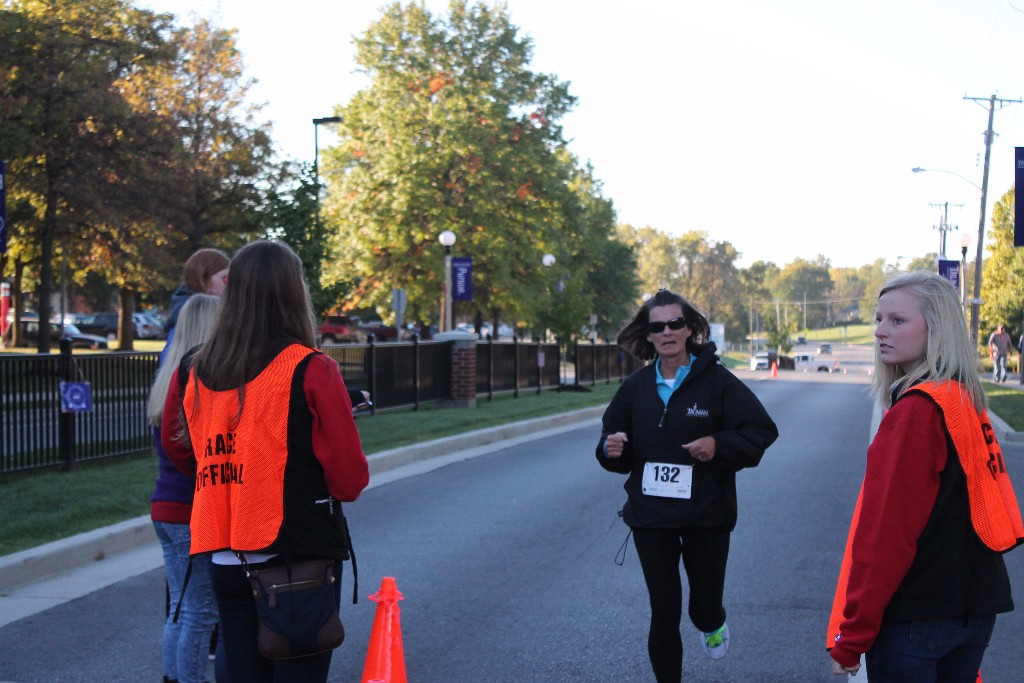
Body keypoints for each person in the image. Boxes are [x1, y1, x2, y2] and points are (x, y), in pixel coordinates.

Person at [162, 239, 369, 683]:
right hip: (296, 554)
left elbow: (178, 447)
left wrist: (231, 478)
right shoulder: (311, 368)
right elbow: (349, 479)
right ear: (294, 293)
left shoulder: (193, 368)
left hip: (225, 555)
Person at [828, 272, 1023, 681]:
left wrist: (853, 637)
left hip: (918, 617)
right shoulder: (961, 399)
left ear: (936, 328)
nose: (880, 331)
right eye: (879, 319)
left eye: (897, 321)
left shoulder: (915, 413)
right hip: (975, 609)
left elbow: (886, 536)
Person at [595, 289, 778, 682]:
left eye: (675, 323)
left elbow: (761, 431)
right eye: (657, 326)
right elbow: (614, 443)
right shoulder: (635, 388)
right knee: (664, 611)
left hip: (706, 514)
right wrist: (610, 449)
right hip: (651, 516)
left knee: (702, 607)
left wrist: (719, 445)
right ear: (648, 335)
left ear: (689, 327)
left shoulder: (718, 383)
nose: (667, 332)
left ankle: (712, 621)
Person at [146, 294, 222, 683]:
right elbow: (185, 450)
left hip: (165, 505)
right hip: (187, 508)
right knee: (201, 611)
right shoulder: (194, 378)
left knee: (181, 605)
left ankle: (173, 676)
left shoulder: (167, 378)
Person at [160, 248, 230, 364]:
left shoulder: (181, 308)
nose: (228, 284)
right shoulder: (193, 313)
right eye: (224, 278)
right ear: (203, 278)